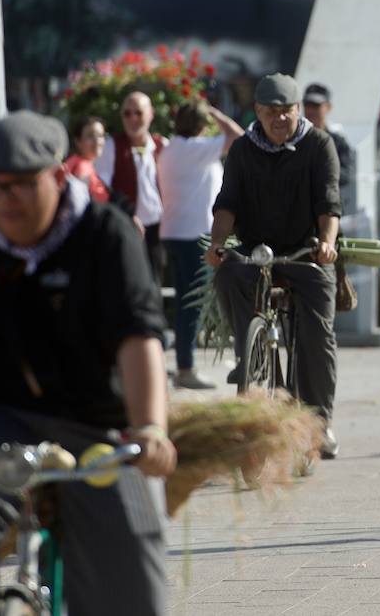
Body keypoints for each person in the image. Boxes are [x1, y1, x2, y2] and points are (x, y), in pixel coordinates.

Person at [0, 112, 175, 616]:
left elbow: (139, 336)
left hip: (96, 423)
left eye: (20, 185)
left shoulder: (105, 234)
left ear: (58, 177)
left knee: (135, 578)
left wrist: (150, 428)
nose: (4, 200)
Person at [207, 74, 341, 459]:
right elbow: (227, 203)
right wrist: (218, 245)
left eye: (287, 111)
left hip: (308, 250)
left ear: (298, 111)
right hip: (257, 250)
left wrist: (328, 244)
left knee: (318, 332)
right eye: (271, 113)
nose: (280, 119)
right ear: (258, 113)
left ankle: (319, 423)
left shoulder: (318, 145)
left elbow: (329, 204)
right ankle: (250, 356)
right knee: (229, 273)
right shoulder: (244, 150)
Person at [159, 100, 243, 390]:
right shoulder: (196, 149)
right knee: (192, 305)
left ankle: (184, 363)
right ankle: (186, 367)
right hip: (194, 235)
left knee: (185, 301)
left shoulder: (171, 149)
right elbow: (239, 137)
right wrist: (217, 113)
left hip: (174, 231)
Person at [95, 92, 166, 281]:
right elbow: (101, 188)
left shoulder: (161, 146)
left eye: (138, 113)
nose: (133, 118)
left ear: (150, 114)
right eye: (127, 113)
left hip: (156, 230)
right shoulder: (111, 146)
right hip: (126, 226)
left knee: (154, 283)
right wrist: (127, 214)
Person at [302, 83, 355, 205]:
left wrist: (321, 170)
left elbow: (347, 174)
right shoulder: (294, 139)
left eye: (316, 105)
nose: (310, 110)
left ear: (328, 107)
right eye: (307, 105)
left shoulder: (338, 141)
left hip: (328, 207)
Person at [65, 116, 110, 202]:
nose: (97, 141)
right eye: (90, 136)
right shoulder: (82, 166)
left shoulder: (75, 162)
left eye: (100, 135)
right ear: (78, 141)